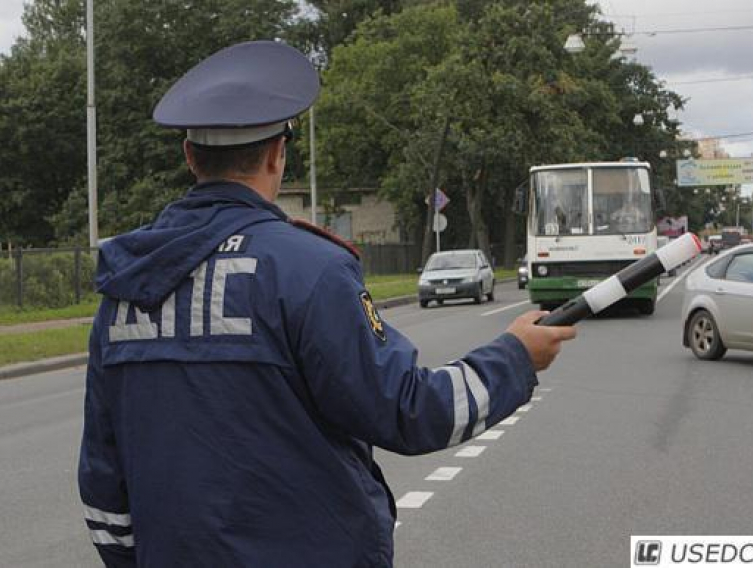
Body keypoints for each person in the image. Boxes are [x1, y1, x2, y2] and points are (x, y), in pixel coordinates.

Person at [77, 40, 577, 567]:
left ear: (188, 156)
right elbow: (409, 412)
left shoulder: (127, 284)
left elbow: (102, 476)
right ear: (277, 154)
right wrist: (516, 356)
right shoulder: (307, 268)